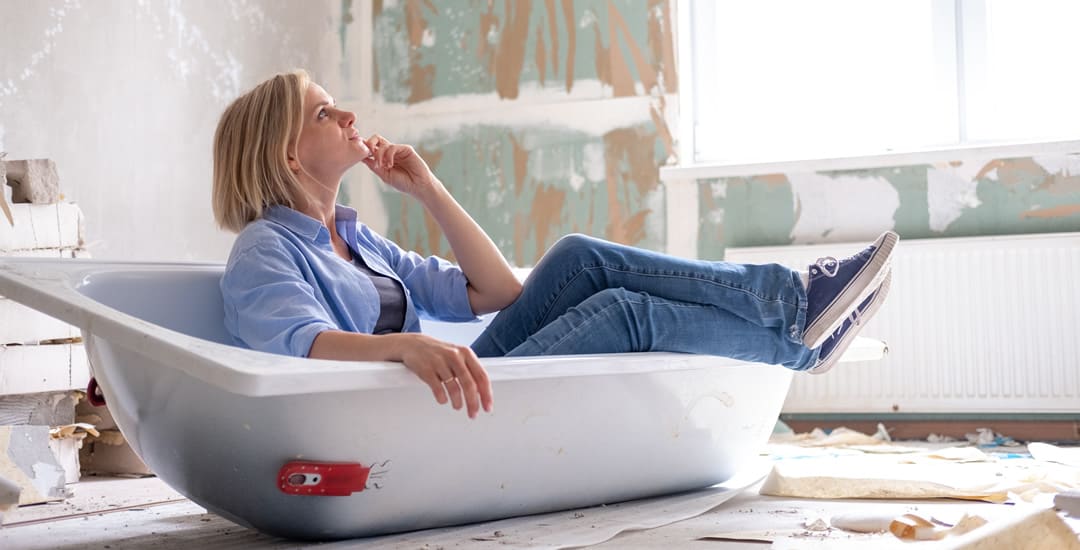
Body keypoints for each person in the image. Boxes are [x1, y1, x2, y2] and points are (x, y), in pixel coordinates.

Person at [212, 70, 898, 420]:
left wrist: (428, 192)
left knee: (574, 257)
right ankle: (798, 335)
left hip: (450, 383)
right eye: (325, 113)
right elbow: (298, 344)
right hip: (406, 412)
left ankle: (794, 306)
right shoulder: (265, 249)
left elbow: (499, 292)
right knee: (625, 312)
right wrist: (403, 345)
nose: (348, 115)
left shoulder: (360, 240)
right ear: (287, 155)